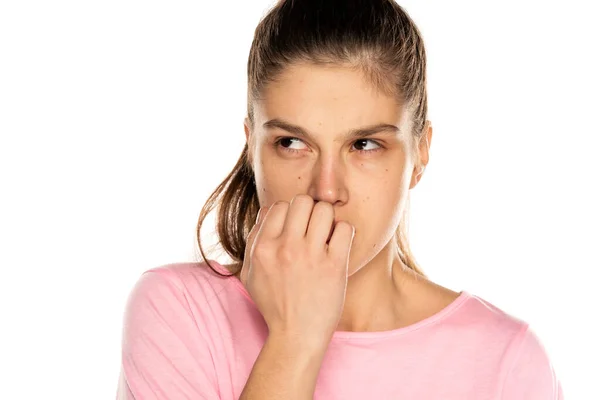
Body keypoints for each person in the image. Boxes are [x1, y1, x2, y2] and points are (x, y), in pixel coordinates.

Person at [116, 1, 563, 398]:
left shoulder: (505, 362)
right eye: (292, 142)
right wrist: (295, 340)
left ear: (421, 153)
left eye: (365, 145)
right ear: (252, 147)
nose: (326, 189)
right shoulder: (179, 312)